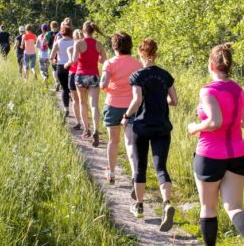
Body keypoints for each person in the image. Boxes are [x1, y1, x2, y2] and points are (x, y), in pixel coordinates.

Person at [186, 43, 244, 246]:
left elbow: (215, 120)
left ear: (211, 64)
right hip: (237, 153)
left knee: (208, 207)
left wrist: (195, 128)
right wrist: (230, 122)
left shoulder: (207, 90)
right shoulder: (238, 90)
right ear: (229, 66)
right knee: (234, 207)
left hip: (210, 154)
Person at [121, 38, 177, 232]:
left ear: (142, 53)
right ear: (155, 53)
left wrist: (126, 115)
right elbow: (174, 100)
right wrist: (159, 99)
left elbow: (137, 100)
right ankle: (167, 203)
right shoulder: (165, 75)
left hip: (142, 126)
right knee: (161, 167)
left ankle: (139, 205)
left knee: (140, 166)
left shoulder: (137, 75)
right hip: (162, 126)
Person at [100, 32, 142, 185]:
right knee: (130, 142)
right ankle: (134, 175)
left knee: (113, 141)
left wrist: (104, 86)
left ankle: (111, 173)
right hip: (132, 107)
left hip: (113, 105)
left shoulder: (109, 63)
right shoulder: (137, 64)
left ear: (114, 46)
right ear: (130, 45)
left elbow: (103, 84)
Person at [71, 21, 107, 146]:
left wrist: (71, 57)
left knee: (82, 103)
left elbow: (75, 60)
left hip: (80, 75)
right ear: (93, 30)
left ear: (83, 30)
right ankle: (96, 130)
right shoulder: (98, 44)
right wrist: (95, 57)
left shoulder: (79, 43)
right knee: (94, 105)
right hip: (94, 75)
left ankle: (86, 129)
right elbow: (104, 60)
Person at [51, 23, 74, 119]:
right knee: (72, 89)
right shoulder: (74, 42)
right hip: (72, 67)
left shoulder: (58, 42)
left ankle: (66, 109)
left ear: (62, 32)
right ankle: (76, 106)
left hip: (60, 67)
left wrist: (54, 60)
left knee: (64, 89)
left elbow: (51, 56)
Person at [66, 29, 82, 130]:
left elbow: (71, 61)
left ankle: (78, 122)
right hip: (83, 73)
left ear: (73, 38)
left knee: (75, 100)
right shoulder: (86, 48)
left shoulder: (71, 49)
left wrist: (65, 65)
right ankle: (86, 122)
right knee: (83, 100)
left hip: (73, 73)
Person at [46, 21, 60, 90]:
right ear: (57, 26)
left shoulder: (48, 33)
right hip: (58, 53)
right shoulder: (60, 33)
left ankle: (56, 82)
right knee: (59, 68)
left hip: (51, 52)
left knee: (54, 69)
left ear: (50, 26)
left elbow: (44, 43)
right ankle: (60, 82)